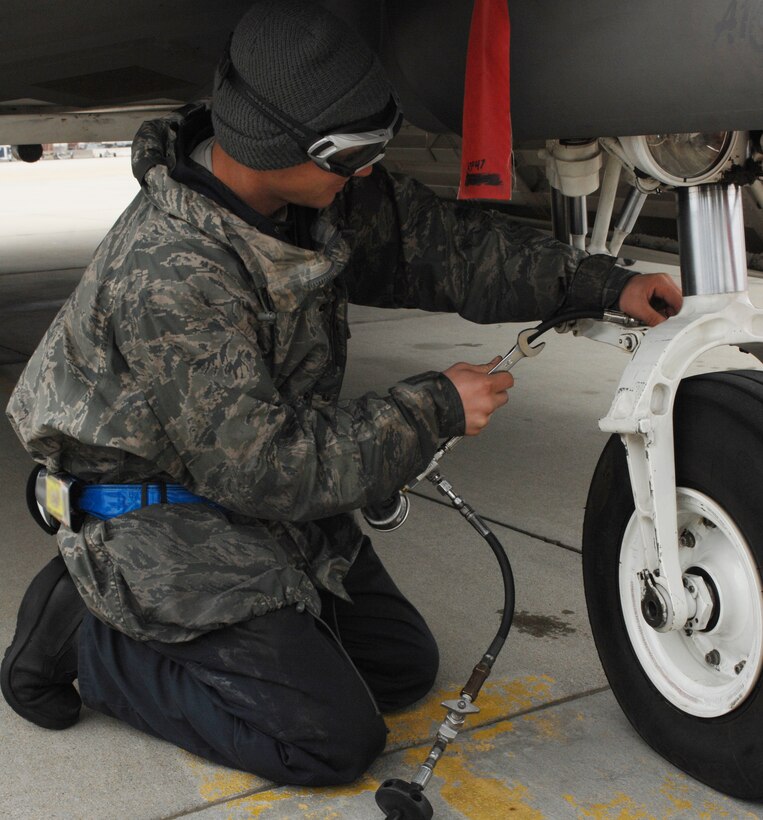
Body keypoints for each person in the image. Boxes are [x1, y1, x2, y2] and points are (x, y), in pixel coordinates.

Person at [1, 0, 682, 787]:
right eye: (353, 152)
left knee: (399, 669)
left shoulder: (313, 195)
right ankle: (89, 638)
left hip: (246, 491)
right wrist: (433, 407)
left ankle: (246, 627)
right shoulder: (172, 273)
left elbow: (448, 251)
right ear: (272, 144)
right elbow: (265, 469)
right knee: (326, 742)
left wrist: (604, 285)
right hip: (161, 513)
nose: (367, 170)